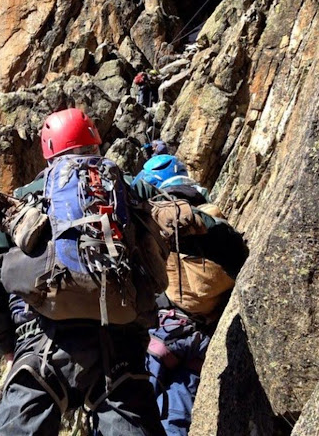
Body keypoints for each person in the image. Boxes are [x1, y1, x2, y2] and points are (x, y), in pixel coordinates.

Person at [0, 108, 166, 436]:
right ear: (95, 144)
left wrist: (5, 342)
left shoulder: (28, 196)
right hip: (118, 336)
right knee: (129, 416)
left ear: (49, 151)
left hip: (46, 335)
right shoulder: (127, 186)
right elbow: (170, 222)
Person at [135, 157, 248, 436]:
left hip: (158, 335)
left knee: (132, 412)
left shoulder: (148, 226)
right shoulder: (211, 218)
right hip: (201, 341)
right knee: (176, 418)